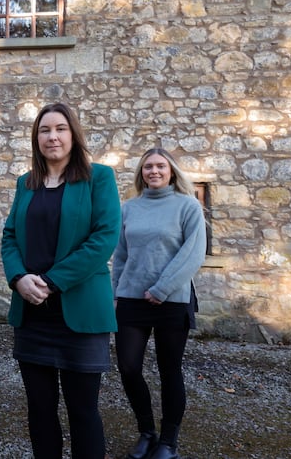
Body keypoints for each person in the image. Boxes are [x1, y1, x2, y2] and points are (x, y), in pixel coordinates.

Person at [1, 102, 121, 459]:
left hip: (80, 315)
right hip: (32, 315)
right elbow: (9, 238)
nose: (52, 137)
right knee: (39, 412)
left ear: (73, 134)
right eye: (44, 130)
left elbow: (104, 238)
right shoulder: (27, 183)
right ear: (36, 138)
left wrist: (52, 281)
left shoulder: (99, 177)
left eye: (60, 129)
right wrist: (18, 278)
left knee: (83, 413)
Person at [112, 148, 207, 459]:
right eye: (148, 167)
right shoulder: (129, 208)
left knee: (170, 370)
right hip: (131, 298)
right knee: (127, 366)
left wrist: (162, 289)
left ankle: (168, 442)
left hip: (173, 299)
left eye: (160, 166)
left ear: (171, 171)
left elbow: (193, 254)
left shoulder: (188, 206)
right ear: (141, 173)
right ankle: (147, 432)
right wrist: (115, 292)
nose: (153, 171)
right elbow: (121, 255)